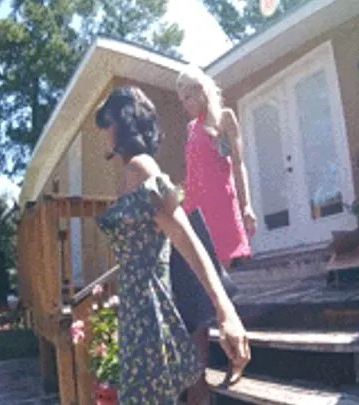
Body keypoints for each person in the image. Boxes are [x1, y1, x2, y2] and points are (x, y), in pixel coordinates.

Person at [94, 86, 251, 405]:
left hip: (151, 313)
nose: (105, 132)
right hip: (135, 312)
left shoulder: (142, 169)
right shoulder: (129, 173)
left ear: (124, 123)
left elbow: (186, 238)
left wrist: (225, 310)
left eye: (108, 123)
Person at [173, 64, 256, 404]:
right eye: (181, 97)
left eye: (189, 93)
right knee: (199, 298)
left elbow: (239, 164)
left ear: (202, 89)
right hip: (196, 216)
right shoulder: (190, 128)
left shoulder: (224, 119)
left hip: (222, 214)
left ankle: (237, 360)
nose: (185, 101)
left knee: (219, 295)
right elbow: (192, 176)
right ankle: (198, 379)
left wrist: (248, 206)